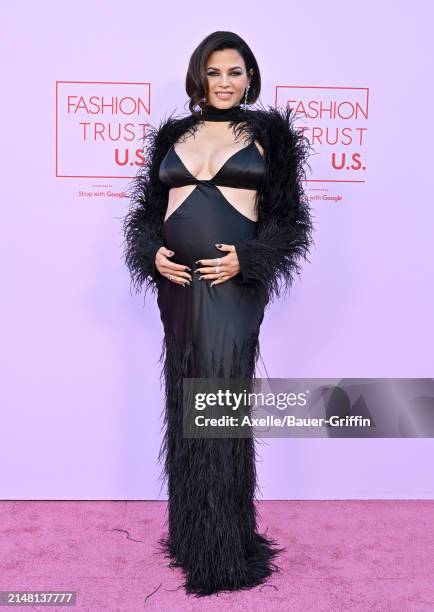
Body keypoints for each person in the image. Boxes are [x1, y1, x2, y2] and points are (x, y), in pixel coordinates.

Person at [121, 31, 314, 597]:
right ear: (198, 78)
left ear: (249, 76)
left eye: (235, 72)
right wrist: (150, 251)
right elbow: (146, 215)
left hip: (232, 287)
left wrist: (248, 260)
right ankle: (192, 535)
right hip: (177, 285)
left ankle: (224, 547)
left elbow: (289, 223)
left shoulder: (268, 137)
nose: (225, 82)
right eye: (214, 72)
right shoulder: (173, 135)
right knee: (184, 395)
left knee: (218, 400)